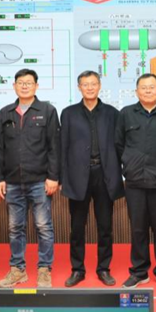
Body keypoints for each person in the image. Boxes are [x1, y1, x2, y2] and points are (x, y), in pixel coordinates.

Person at [0, 69, 60, 288]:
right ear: (14, 86)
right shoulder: (6, 112)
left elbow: (54, 146)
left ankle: (44, 269)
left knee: (44, 227)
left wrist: (53, 177)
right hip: (12, 181)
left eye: (29, 82)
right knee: (15, 228)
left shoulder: (47, 110)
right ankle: (17, 270)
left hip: (40, 181)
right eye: (20, 82)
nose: (24, 86)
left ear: (36, 86)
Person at [115, 73, 156, 289]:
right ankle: (139, 271)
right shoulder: (126, 114)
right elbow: (119, 144)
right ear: (136, 91)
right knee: (138, 230)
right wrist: (128, 164)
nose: (148, 90)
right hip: (135, 183)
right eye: (143, 87)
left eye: (152, 87)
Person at [60, 71, 124, 287]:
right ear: (79, 87)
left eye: (93, 84)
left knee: (105, 226)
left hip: (104, 175)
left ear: (99, 86)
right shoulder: (68, 113)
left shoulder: (112, 113)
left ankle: (103, 268)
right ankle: (77, 269)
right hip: (78, 176)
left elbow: (119, 145)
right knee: (77, 227)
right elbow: (63, 146)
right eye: (85, 84)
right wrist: (62, 177)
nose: (89, 88)